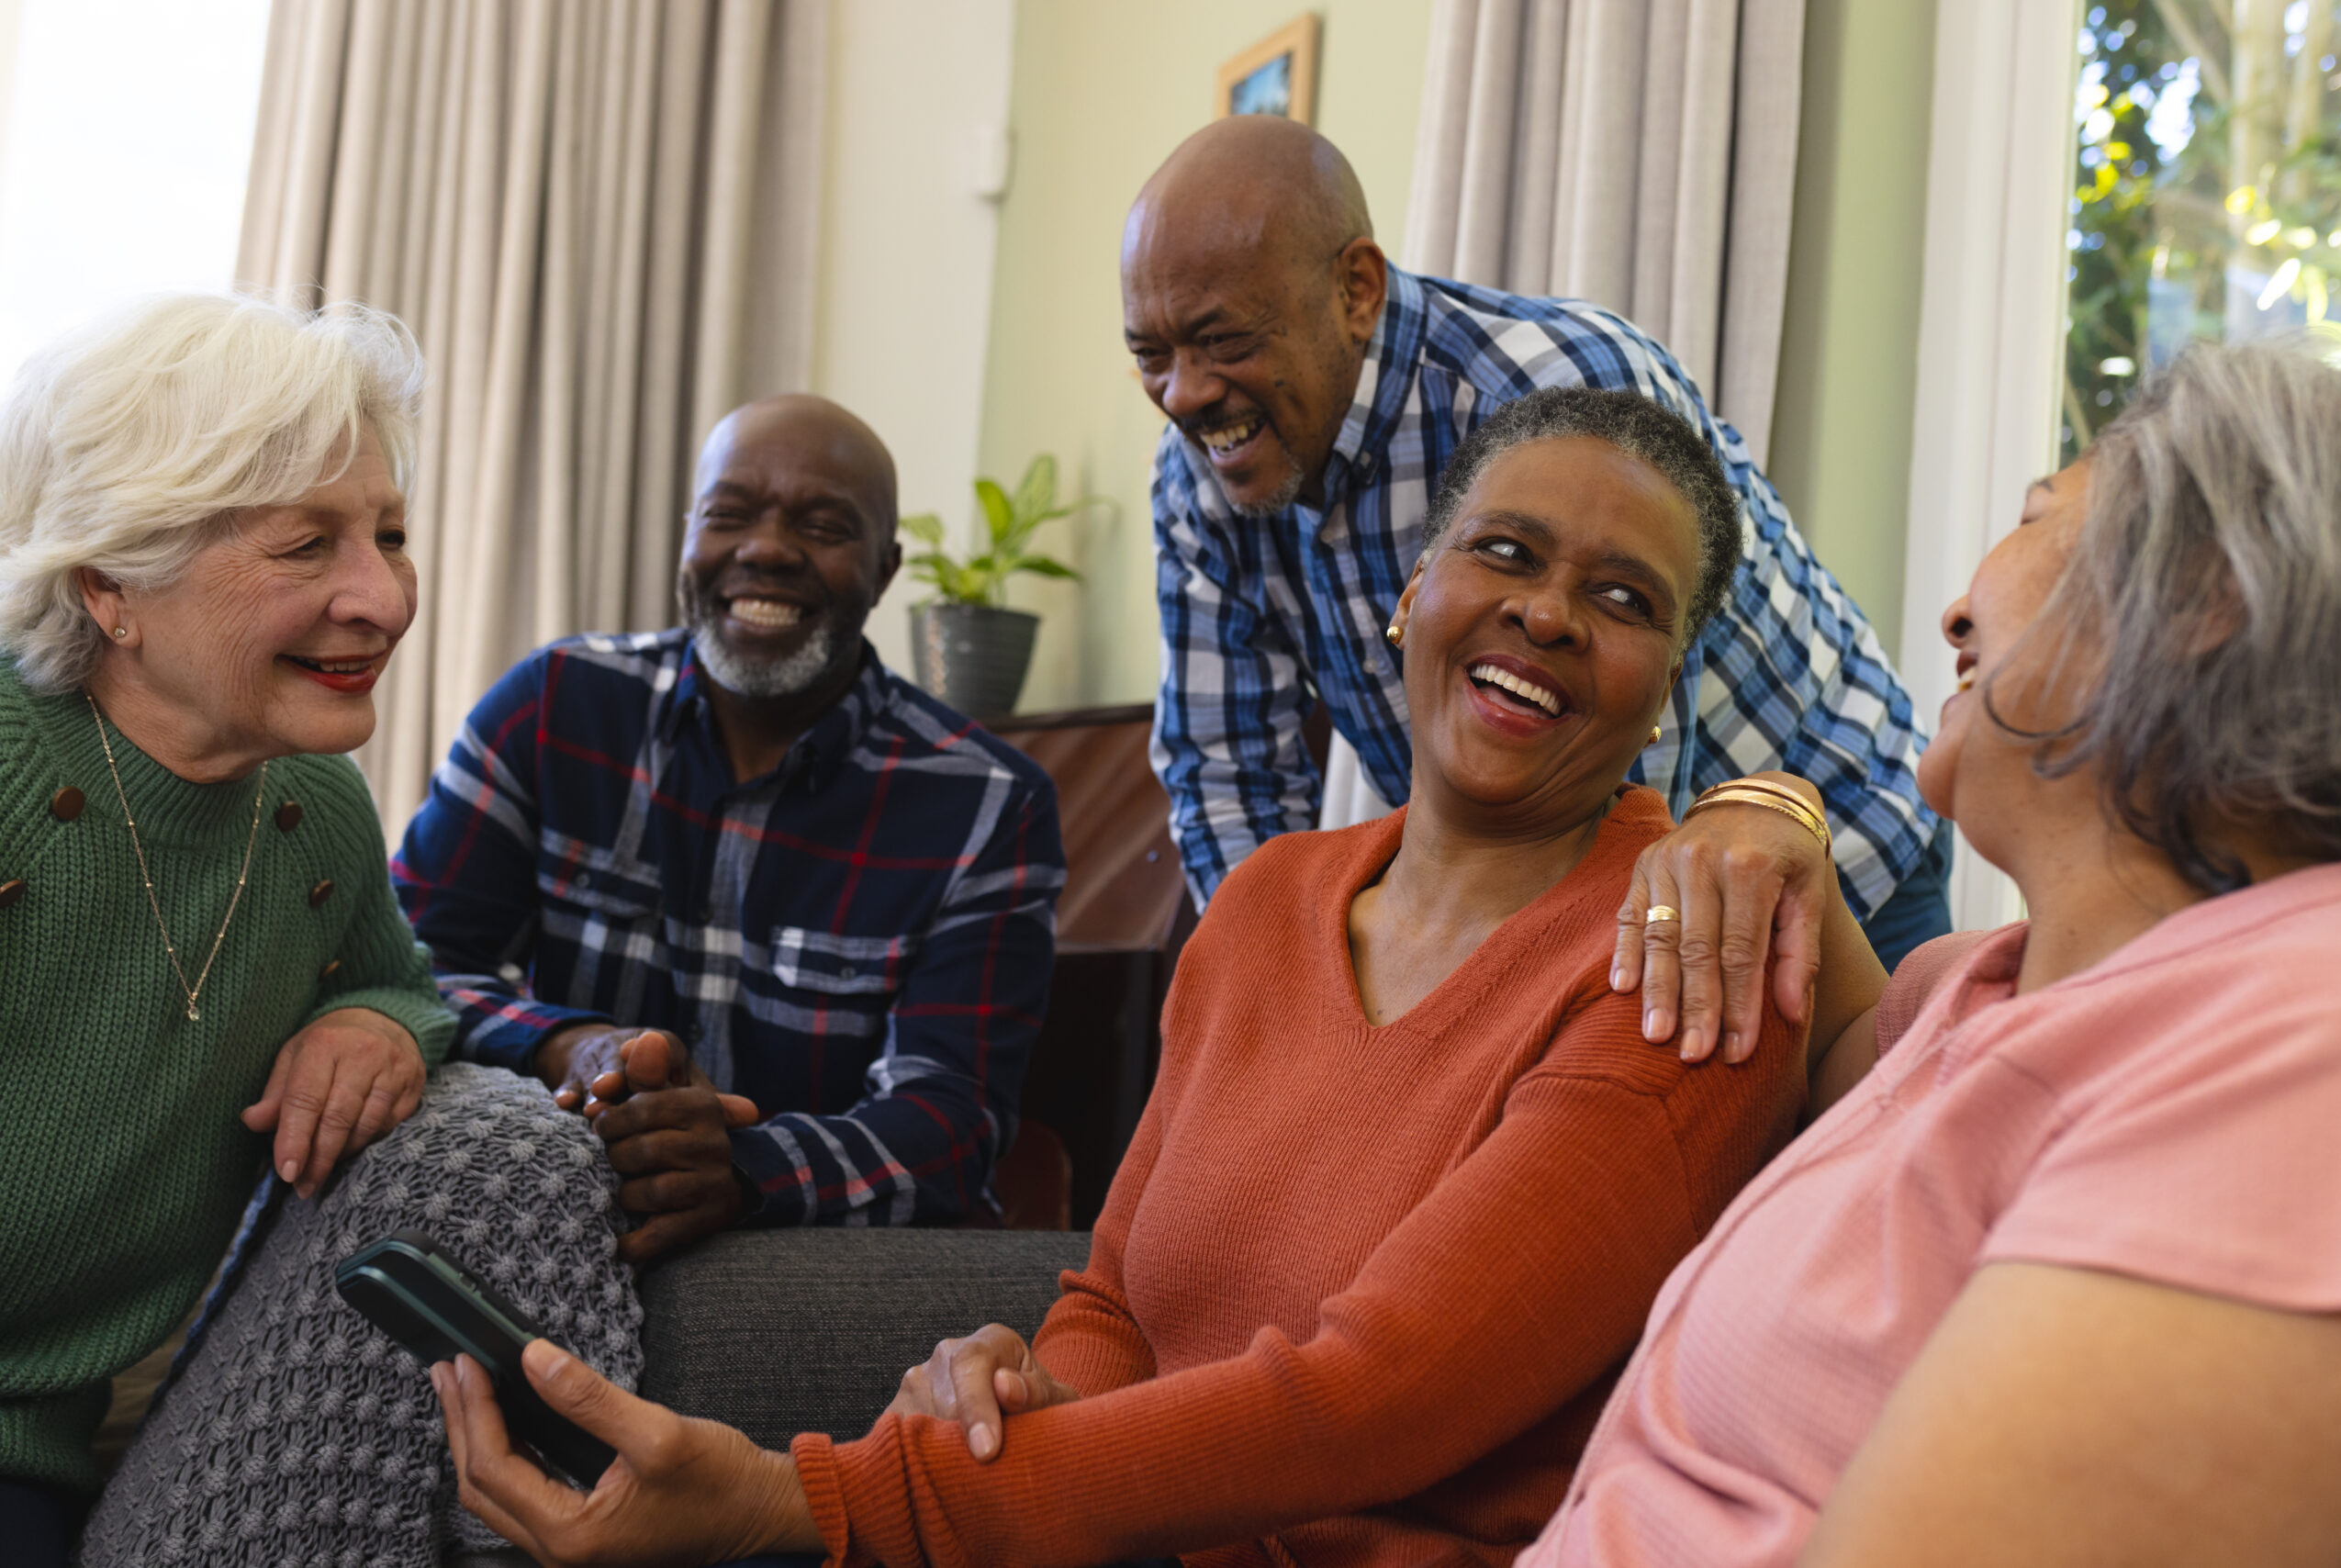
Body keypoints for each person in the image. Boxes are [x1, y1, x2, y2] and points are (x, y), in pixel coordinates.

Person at [431, 386, 1812, 1568]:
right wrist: (1028, 1392)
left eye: (1622, 598)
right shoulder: (1270, 902)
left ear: (1670, 682)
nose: (1549, 613)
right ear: (1411, 598)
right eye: (1504, 552)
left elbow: (1369, 1405)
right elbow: (1114, 1307)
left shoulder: (1688, 959)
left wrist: (799, 1499)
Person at [1519, 340, 2341, 1564]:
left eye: (2038, 522)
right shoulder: (1998, 983)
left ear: (2201, 596)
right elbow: (1855, 1048)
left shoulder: (2295, 1042)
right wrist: (1774, 804)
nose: (1959, 608)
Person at [1133, 115, 1949, 996]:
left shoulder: (1559, 386)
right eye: (1151, 354)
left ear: (1356, 289)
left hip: (1845, 856)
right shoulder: (1201, 473)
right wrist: (1279, 1004)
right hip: (1582, 895)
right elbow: (1227, 769)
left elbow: (1628, 788)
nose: (1185, 394)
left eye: (1225, 344)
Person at [394, 395, 1064, 1259]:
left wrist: (748, 1166)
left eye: (823, 525)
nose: (766, 549)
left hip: (811, 1258)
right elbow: (405, 969)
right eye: (729, 515)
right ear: (687, 538)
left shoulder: (988, 803)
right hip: (552, 1215)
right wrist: (567, 1043)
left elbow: (950, 1118)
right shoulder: (554, 706)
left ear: (885, 570)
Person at [0, 294, 454, 1562]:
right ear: (110, 586)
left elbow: (407, 983)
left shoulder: (312, 807)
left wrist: (379, 1021)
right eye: (306, 547)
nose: (382, 598)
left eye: (390, 534)